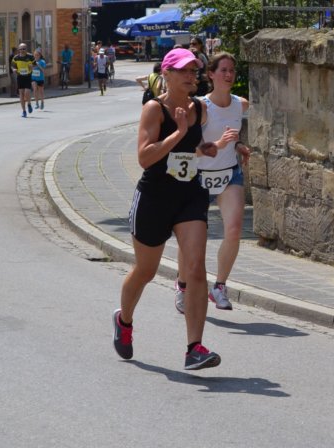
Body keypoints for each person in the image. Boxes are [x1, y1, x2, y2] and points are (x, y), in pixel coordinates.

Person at [112, 48, 223, 371]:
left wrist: (203, 148)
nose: (191, 76)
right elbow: (145, 157)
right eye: (184, 70)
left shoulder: (199, 108)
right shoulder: (154, 109)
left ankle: (194, 348)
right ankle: (124, 320)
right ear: (167, 74)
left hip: (189, 195)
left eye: (194, 70)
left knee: (196, 268)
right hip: (155, 198)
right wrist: (179, 133)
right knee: (145, 271)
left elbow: (190, 149)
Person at [174, 52, 251, 313]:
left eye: (232, 70)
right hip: (199, 178)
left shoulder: (240, 105)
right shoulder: (200, 107)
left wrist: (238, 146)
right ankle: (183, 286)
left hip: (229, 174)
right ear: (211, 74)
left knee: (234, 230)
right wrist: (217, 144)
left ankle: (219, 287)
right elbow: (189, 147)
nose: (229, 75)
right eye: (223, 70)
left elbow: (232, 136)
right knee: (193, 239)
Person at [12, 43, 35, 118]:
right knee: (21, 94)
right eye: (21, 49)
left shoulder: (30, 56)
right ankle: (24, 111)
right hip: (20, 77)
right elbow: (13, 66)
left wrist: (31, 66)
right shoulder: (16, 57)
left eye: (24, 49)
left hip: (28, 76)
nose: (22, 50)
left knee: (26, 92)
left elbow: (35, 64)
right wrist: (14, 69)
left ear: (26, 49)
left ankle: (29, 104)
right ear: (19, 50)